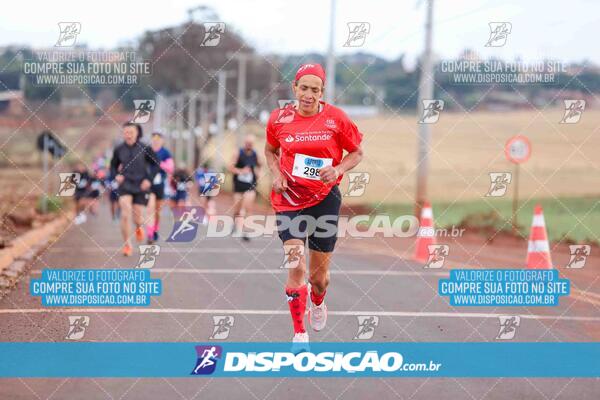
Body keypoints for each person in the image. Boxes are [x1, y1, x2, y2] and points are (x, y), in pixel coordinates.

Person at [264, 63, 363, 346]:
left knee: (320, 278)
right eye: (304, 88)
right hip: (288, 199)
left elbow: (357, 152)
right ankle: (299, 333)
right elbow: (270, 151)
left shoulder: (336, 119)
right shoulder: (278, 120)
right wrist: (276, 173)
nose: (309, 95)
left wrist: (339, 169)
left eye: (315, 90)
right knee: (296, 266)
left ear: (322, 92)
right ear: (294, 88)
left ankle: (318, 301)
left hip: (324, 200)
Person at [110, 122, 159, 256]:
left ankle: (138, 227)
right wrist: (116, 175)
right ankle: (127, 245)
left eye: (131, 132)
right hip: (125, 185)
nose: (128, 135)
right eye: (126, 132)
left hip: (141, 186)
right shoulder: (119, 149)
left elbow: (156, 165)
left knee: (138, 218)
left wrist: (148, 179)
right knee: (125, 215)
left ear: (137, 133)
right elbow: (113, 166)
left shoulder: (145, 148)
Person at [228, 134, 261, 241]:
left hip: (250, 185)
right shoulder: (238, 153)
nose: (249, 145)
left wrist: (257, 173)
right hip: (238, 184)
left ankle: (244, 231)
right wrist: (241, 171)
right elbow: (230, 167)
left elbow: (260, 164)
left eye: (251, 144)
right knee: (237, 209)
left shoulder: (255, 154)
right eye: (247, 143)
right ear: (244, 143)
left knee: (247, 208)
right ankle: (234, 224)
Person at [146, 132, 174, 243]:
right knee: (150, 209)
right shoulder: (147, 151)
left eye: (158, 139)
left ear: (162, 141)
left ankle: (155, 229)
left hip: (160, 184)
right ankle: (150, 234)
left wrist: (159, 164)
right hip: (149, 184)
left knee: (157, 211)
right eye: (154, 139)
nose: (156, 141)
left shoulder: (165, 153)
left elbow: (171, 168)